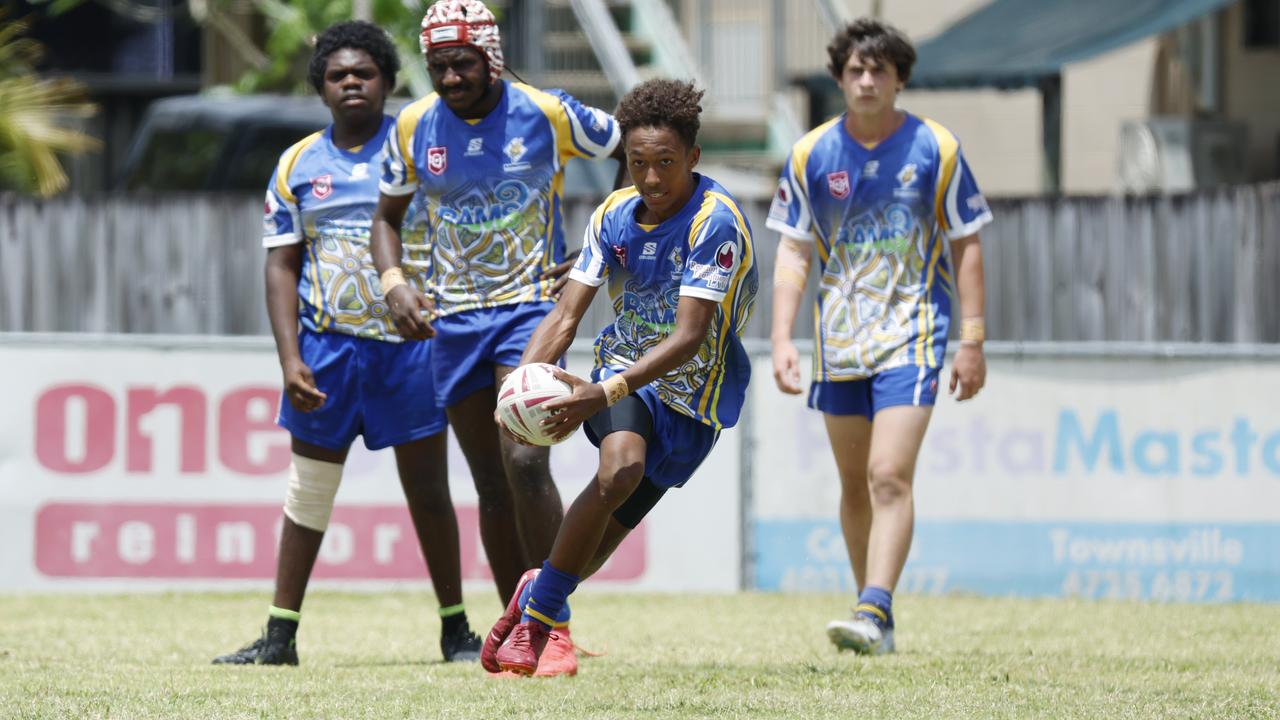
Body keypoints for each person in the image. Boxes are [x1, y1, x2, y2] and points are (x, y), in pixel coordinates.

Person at [213, 20, 481, 666]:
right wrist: (289, 358)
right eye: (339, 75)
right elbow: (280, 265)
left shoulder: (420, 146)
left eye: (365, 73)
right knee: (308, 490)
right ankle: (279, 638)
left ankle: (456, 632)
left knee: (429, 491)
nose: (353, 83)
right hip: (328, 351)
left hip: (411, 349)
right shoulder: (299, 164)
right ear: (322, 88)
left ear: (388, 82)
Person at [370, 0, 621, 675]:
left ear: (492, 57)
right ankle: (520, 626)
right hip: (452, 322)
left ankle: (554, 624)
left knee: (527, 461)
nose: (451, 78)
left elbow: (631, 143)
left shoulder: (548, 111)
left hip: (530, 311)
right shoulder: (416, 126)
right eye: (439, 67)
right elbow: (385, 217)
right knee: (489, 482)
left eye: (463, 63)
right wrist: (394, 282)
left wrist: (610, 238)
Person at [484, 78, 758, 677]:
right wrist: (520, 390)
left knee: (584, 557)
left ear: (692, 157)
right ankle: (540, 631)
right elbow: (565, 313)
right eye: (638, 163)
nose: (652, 178)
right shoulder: (613, 214)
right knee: (621, 468)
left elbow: (688, 338)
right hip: (621, 374)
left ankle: (534, 594)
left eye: (665, 163)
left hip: (694, 396)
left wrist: (600, 394)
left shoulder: (715, 223)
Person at [767, 18, 992, 655]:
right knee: (853, 483)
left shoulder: (935, 148)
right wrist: (782, 338)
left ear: (898, 79)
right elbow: (793, 251)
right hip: (838, 342)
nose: (867, 80)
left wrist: (971, 340)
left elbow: (967, 243)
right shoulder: (812, 153)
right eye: (855, 70)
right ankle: (877, 617)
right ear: (839, 78)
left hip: (913, 335)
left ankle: (872, 606)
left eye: (879, 70)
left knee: (888, 474)